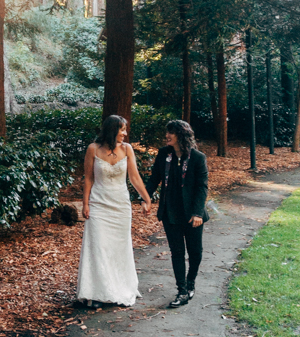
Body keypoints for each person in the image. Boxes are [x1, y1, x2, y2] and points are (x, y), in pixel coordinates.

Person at [77, 114, 151, 308]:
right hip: (99, 203)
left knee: (119, 248)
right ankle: (96, 293)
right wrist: (85, 204)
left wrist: (147, 197)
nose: (125, 134)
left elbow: (134, 177)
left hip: (120, 205)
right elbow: (88, 178)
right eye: (122, 130)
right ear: (112, 130)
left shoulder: (127, 149)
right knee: (99, 247)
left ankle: (119, 288)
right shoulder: (93, 149)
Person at [145, 119, 208, 308]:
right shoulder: (164, 154)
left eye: (171, 132)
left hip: (192, 214)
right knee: (177, 252)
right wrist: (145, 199)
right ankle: (181, 290)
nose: (167, 136)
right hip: (170, 212)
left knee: (195, 252)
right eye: (167, 132)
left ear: (181, 135)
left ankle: (191, 283)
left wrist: (197, 212)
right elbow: (155, 177)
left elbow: (202, 187)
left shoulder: (198, 158)